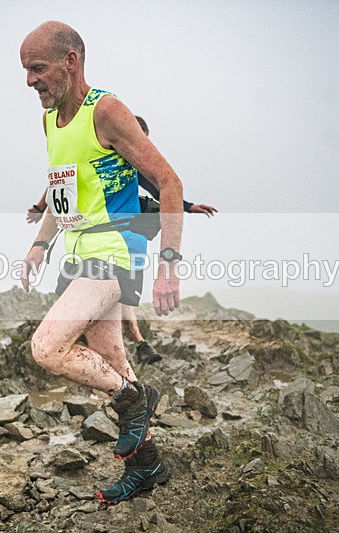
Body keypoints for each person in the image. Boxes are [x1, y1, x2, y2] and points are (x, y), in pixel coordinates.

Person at [20, 21, 184, 504]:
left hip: (115, 251)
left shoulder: (106, 111)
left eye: (38, 68)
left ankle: (137, 400)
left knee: (47, 348)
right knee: (112, 361)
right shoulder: (51, 121)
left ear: (71, 61)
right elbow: (63, 194)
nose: (30, 81)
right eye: (26, 70)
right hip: (78, 253)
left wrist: (168, 265)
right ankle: (146, 465)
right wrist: (39, 244)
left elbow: (170, 183)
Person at [26, 115, 217, 364]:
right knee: (110, 304)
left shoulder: (131, 166)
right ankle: (136, 347)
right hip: (92, 243)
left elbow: (160, 186)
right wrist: (41, 209)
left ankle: (138, 341)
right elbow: (60, 183)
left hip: (122, 241)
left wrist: (187, 206)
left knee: (116, 294)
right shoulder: (102, 154)